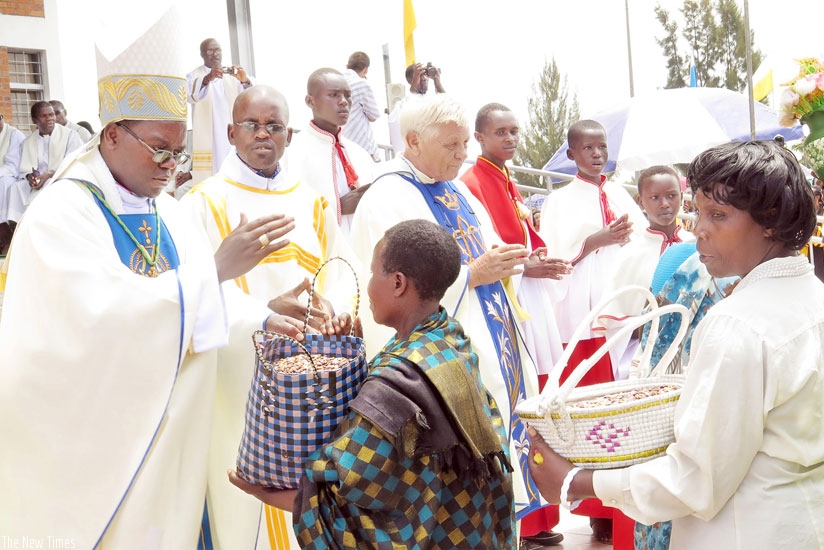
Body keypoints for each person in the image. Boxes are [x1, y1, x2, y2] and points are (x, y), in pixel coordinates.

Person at [0, 71, 302, 548]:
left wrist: (260, 315)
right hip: (103, 448)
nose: (171, 166)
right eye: (160, 148)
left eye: (179, 153)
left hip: (176, 437)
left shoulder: (168, 210)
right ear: (113, 134)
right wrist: (216, 269)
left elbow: (193, 296)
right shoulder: (60, 213)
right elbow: (99, 321)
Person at [526, 140, 824, 550]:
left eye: (718, 215)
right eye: (699, 211)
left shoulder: (738, 323)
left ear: (770, 222)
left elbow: (697, 479)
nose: (699, 227)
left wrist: (578, 482)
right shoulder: (813, 297)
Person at [230, 219, 517, 548]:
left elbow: (335, 503)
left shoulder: (392, 384)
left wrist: (258, 489)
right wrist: (354, 361)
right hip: (472, 530)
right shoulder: (448, 338)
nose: (367, 286)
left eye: (372, 273)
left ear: (397, 283)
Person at [350, 93, 545, 528]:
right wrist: (473, 274)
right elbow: (396, 288)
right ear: (414, 140)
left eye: (464, 145)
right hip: (441, 353)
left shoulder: (456, 189)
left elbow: (486, 243)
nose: (463, 155)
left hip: (491, 333)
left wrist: (509, 260)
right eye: (451, 146)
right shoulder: (387, 197)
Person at [181, 84, 358, 549]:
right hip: (239, 379)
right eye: (252, 125)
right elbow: (193, 291)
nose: (263, 134)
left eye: (274, 126)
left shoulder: (311, 200)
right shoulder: (203, 203)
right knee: (247, 514)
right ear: (230, 132)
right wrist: (261, 315)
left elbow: (340, 269)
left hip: (313, 379)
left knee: (317, 490)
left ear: (290, 134)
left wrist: (334, 312)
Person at [460, 102, 569, 547]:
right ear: (480, 137)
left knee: (534, 394)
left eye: (514, 132)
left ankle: (539, 515)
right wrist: (528, 270)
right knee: (517, 398)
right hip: (508, 295)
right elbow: (486, 253)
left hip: (527, 291)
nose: (510, 139)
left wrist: (535, 259)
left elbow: (520, 237)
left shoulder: (504, 178)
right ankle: (524, 518)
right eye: (500, 132)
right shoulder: (472, 183)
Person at [538, 119, 647, 545]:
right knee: (590, 413)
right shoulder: (560, 200)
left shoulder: (619, 193)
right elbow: (555, 258)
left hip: (620, 311)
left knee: (619, 409)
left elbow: (641, 240)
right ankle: (593, 509)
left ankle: (619, 507)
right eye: (588, 148)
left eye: (602, 147)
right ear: (571, 154)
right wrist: (595, 241)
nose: (597, 155)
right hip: (582, 319)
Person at [597, 165, 695, 374]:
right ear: (640, 201)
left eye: (671, 195)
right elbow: (614, 319)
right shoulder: (629, 255)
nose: (665, 204)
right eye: (655, 197)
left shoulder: (696, 246)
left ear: (682, 196)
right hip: (647, 355)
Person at [283, 68, 374, 236]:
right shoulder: (294, 154)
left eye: (347, 95)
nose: (344, 102)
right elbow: (290, 210)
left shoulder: (359, 153)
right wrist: (338, 207)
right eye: (333, 95)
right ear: (310, 101)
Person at [186, 38, 252, 188]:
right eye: (210, 50)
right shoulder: (195, 76)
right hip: (209, 137)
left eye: (218, 50)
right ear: (202, 54)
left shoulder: (232, 75)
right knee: (211, 182)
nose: (215, 54)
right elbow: (190, 95)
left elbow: (250, 97)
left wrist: (244, 80)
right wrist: (208, 78)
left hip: (231, 134)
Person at [6, 101, 83, 231]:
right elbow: (23, 170)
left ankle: (47, 229)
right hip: (37, 179)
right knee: (15, 188)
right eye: (44, 116)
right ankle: (18, 230)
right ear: (34, 119)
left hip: (60, 177)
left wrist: (48, 176)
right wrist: (29, 176)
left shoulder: (70, 136)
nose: (50, 119)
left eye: (51, 114)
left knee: (48, 186)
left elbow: (74, 163)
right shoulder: (28, 141)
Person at [388, 61, 446, 153]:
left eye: (425, 75)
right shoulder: (402, 105)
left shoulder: (431, 100)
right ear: (410, 80)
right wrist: (414, 84)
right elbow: (398, 121)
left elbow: (447, 106)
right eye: (420, 75)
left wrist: (437, 81)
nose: (424, 79)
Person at [342, 51, 381, 162]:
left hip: (343, 143)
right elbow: (373, 116)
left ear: (347, 66)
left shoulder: (337, 82)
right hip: (362, 145)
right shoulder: (361, 83)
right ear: (365, 69)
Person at [0, 112, 24, 253]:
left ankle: (4, 228)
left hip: (11, 176)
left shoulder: (14, 135)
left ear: (2, 118)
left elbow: (13, 165)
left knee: (4, 183)